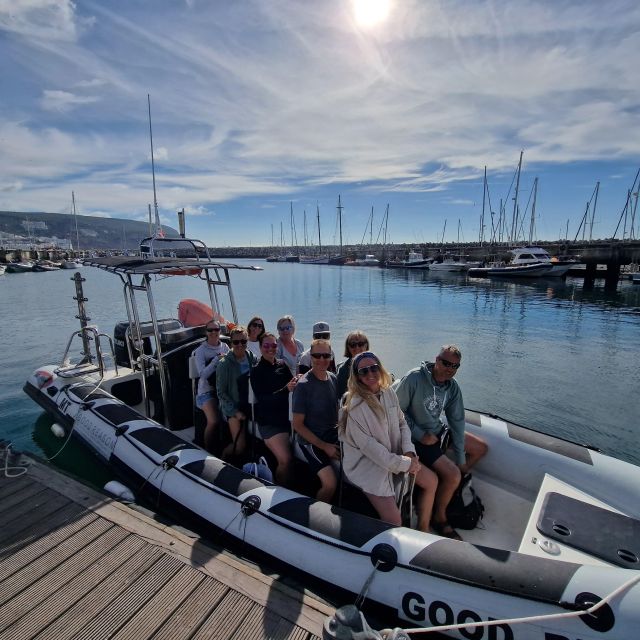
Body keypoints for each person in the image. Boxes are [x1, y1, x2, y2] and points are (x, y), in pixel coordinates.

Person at [394, 345, 488, 540]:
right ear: (436, 360)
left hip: (437, 432)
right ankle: (439, 517)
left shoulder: (452, 387)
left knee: (479, 449)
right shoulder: (414, 378)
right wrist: (420, 434)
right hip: (414, 437)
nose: (449, 369)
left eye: (455, 366)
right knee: (453, 474)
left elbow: (457, 422)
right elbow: (395, 412)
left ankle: (446, 495)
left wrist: (461, 459)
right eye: (445, 363)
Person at [339, 352, 437, 531]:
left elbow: (402, 422)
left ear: (380, 368)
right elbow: (372, 450)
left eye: (374, 368)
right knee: (393, 520)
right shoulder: (354, 407)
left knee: (431, 482)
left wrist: (408, 452)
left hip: (397, 455)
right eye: (363, 371)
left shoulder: (388, 392)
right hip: (368, 466)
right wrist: (405, 464)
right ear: (357, 377)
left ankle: (424, 529)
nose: (370, 373)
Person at [291, 338, 340, 502]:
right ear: (310, 357)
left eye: (326, 355)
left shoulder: (333, 378)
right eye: (317, 356)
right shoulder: (304, 385)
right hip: (311, 441)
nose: (321, 360)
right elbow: (297, 424)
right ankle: (317, 514)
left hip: (332, 434)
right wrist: (325, 446)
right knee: (330, 483)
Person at [250, 332, 299, 485]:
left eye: (274, 345)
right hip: (270, 421)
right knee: (286, 460)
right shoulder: (256, 371)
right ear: (260, 347)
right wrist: (286, 389)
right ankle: (279, 487)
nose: (270, 349)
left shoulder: (282, 364)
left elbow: (292, 383)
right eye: (266, 345)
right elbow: (264, 399)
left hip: (287, 417)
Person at [216, 326, 258, 460]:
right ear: (230, 343)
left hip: (250, 403)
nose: (240, 345)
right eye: (236, 342)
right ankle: (223, 456)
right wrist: (234, 411)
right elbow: (221, 392)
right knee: (239, 448)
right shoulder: (224, 364)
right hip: (232, 406)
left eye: (243, 341)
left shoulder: (252, 358)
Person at [193, 319, 230, 452]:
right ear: (206, 332)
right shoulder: (201, 351)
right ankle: (207, 449)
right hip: (206, 392)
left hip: (223, 389)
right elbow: (202, 375)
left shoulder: (225, 347)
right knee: (214, 421)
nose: (214, 332)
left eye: (216, 329)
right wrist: (216, 360)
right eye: (210, 330)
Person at [335, 330, 369, 398]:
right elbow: (341, 396)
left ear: (366, 345)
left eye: (361, 344)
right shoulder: (343, 370)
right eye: (353, 345)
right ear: (348, 347)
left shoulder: (374, 364)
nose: (357, 347)